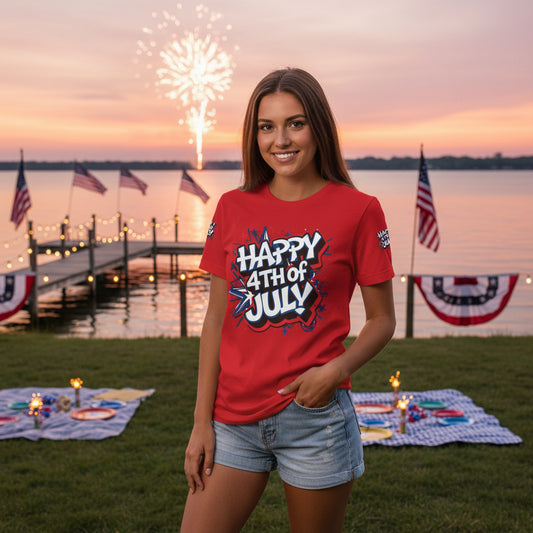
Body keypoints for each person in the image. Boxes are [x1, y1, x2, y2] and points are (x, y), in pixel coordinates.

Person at [180, 67, 396, 533]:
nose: (281, 139)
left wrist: (336, 371)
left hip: (314, 419)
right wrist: (201, 423)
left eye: (295, 123)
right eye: (267, 126)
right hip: (232, 419)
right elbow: (216, 319)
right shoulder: (232, 207)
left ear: (318, 127)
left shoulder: (359, 210)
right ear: (253, 134)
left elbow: (382, 320)